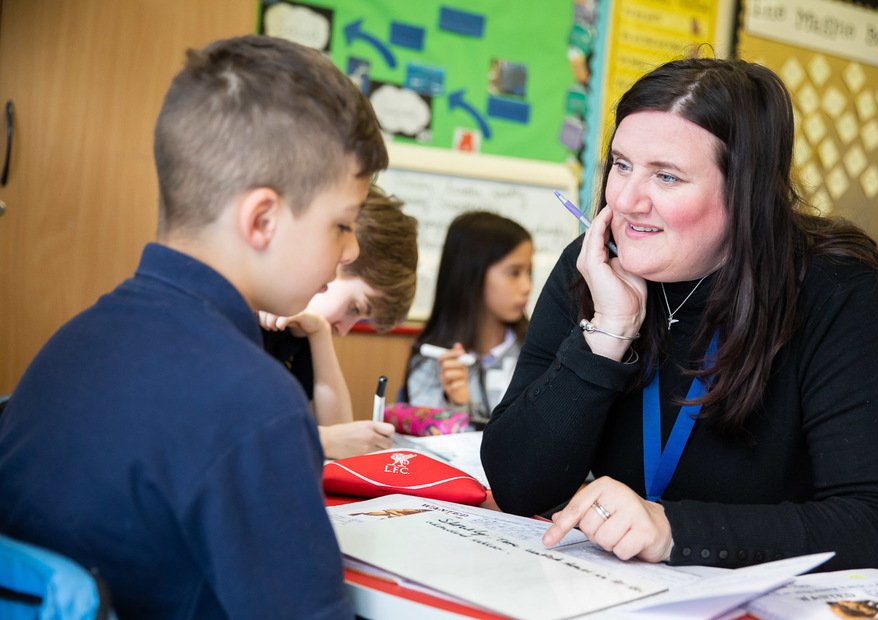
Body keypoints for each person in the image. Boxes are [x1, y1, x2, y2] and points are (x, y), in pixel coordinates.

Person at [480, 57, 878, 577]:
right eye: (621, 165)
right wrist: (606, 336)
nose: (624, 201)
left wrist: (676, 531)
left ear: (744, 193)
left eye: (666, 177)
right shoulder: (595, 263)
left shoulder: (840, 292)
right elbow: (517, 486)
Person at [0, 35, 387, 619]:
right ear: (263, 219)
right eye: (343, 224)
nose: (351, 247)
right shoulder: (256, 402)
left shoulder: (70, 344)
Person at [261, 184, 418, 458]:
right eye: (355, 308)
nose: (343, 330)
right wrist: (323, 440)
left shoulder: (303, 334)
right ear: (336, 261)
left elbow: (343, 440)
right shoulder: (255, 314)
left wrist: (321, 334)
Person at [404, 211, 533, 427]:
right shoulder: (431, 363)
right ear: (472, 274)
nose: (527, 286)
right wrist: (457, 404)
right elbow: (426, 442)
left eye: (529, 272)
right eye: (514, 272)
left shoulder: (534, 354)